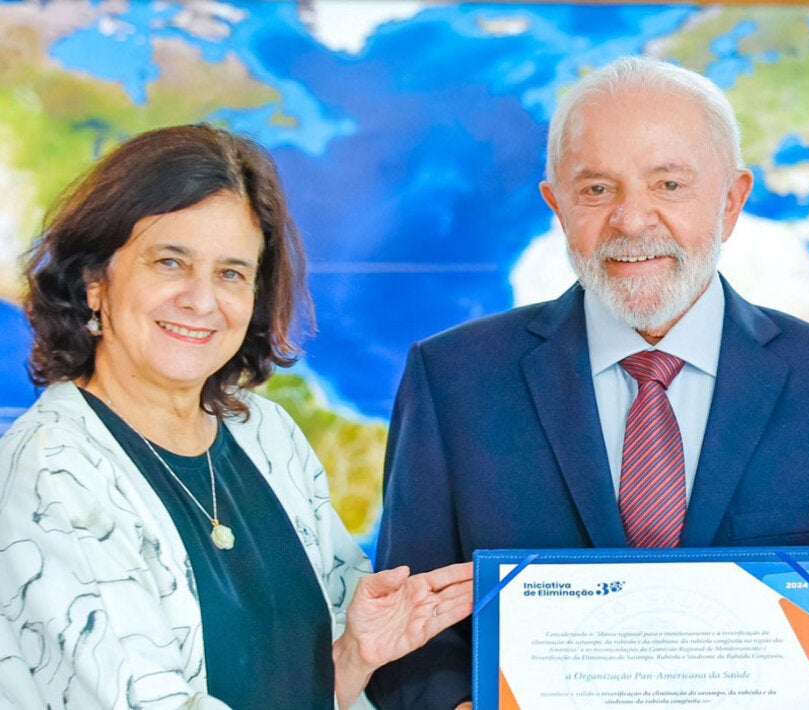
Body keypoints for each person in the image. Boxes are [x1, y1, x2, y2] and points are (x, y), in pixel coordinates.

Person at [367, 56, 809, 708]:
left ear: (731, 201)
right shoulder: (454, 381)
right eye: (596, 190)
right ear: (556, 206)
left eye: (669, 185)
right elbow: (405, 634)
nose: (633, 221)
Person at [0, 124, 473, 708]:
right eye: (170, 262)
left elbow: (318, 691)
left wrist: (355, 654)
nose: (202, 300)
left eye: (231, 273)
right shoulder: (47, 473)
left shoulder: (265, 432)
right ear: (94, 281)